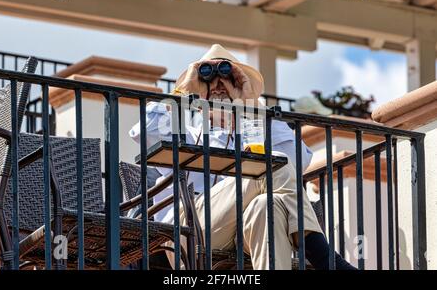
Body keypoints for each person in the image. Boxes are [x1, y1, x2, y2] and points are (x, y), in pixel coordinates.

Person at [129, 44, 356, 270]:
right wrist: (184, 90)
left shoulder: (253, 134)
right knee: (270, 163)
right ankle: (326, 260)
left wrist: (250, 103)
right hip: (186, 234)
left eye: (228, 80)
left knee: (269, 205)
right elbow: (145, 131)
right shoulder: (186, 134)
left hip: (240, 235)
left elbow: (296, 161)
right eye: (208, 80)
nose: (219, 87)